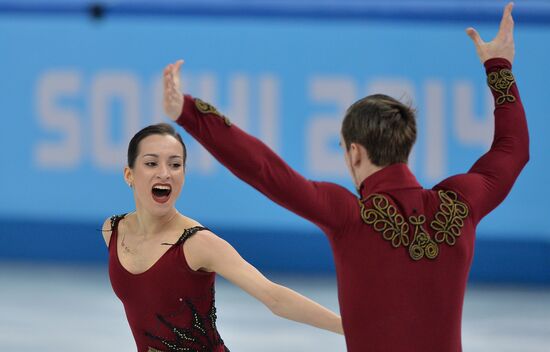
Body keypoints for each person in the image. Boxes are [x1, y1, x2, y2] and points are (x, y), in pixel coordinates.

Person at [162, 3, 529, 351]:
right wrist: (499, 67)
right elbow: (512, 150)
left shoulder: (351, 217)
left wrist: (190, 113)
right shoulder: (459, 205)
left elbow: (266, 170)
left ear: (354, 151)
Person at [101, 123, 343, 352]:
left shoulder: (198, 244)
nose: (165, 173)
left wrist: (348, 328)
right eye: (152, 163)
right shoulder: (113, 230)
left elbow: (274, 297)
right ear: (129, 174)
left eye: (175, 165)